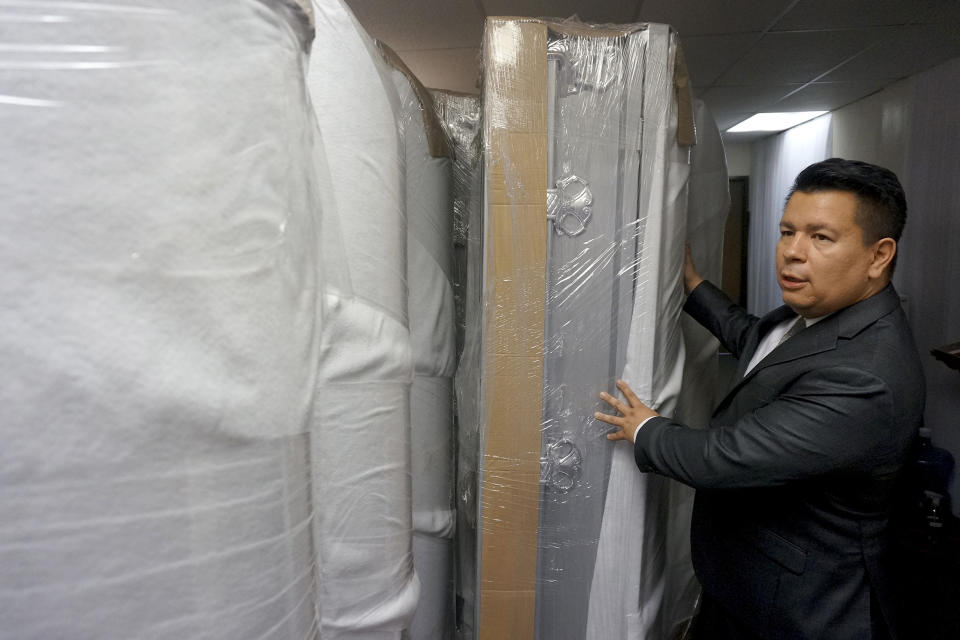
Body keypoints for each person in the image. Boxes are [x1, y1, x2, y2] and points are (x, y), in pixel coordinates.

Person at [594, 158, 925, 639]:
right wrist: (692, 286)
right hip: (746, 584)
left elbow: (725, 458)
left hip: (801, 611)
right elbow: (756, 340)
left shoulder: (866, 375)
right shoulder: (820, 316)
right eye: (787, 231)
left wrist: (643, 427)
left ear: (879, 255)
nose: (792, 252)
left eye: (820, 237)